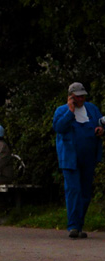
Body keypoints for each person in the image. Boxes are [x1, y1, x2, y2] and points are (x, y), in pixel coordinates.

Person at [52, 82, 104, 239]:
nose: (81, 98)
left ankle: (80, 225)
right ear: (71, 96)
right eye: (77, 96)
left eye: (83, 96)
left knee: (85, 192)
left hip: (89, 157)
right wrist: (70, 111)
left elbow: (100, 123)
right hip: (70, 158)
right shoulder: (62, 110)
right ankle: (73, 226)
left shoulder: (92, 109)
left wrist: (101, 130)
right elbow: (59, 128)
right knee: (73, 190)